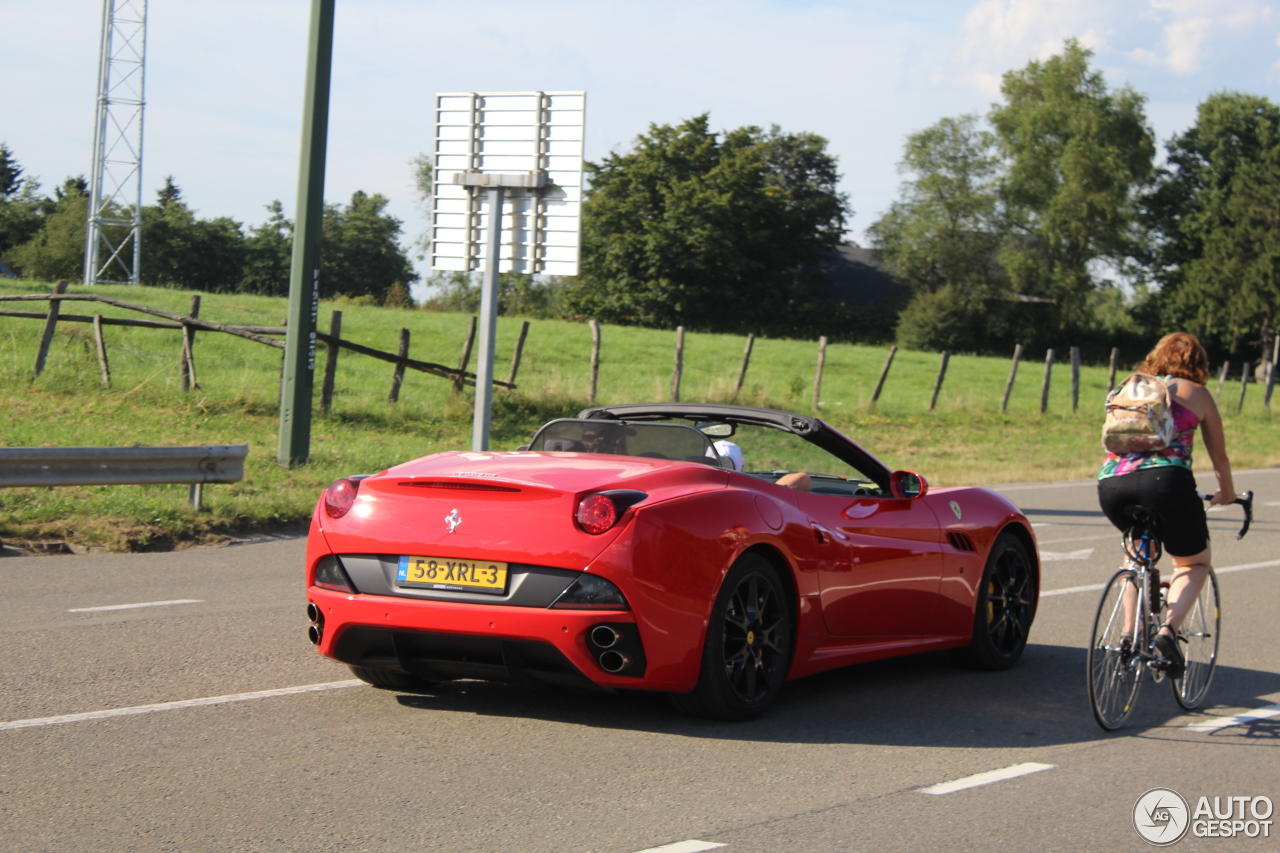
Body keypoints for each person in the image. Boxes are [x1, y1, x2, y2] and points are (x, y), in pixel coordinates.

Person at [1096, 333, 1236, 676]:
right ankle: (1167, 633)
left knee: (1135, 556)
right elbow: (1219, 454)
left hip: (1112, 484)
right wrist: (1227, 493)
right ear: (1198, 363)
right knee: (1193, 563)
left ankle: (1127, 636)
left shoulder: (1129, 390)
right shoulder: (1197, 393)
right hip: (1166, 483)